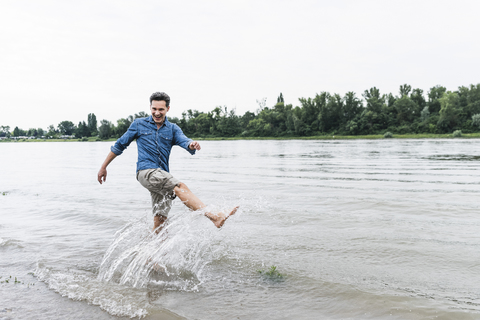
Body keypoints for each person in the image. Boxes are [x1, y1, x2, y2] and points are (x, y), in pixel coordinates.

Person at [97, 92, 237, 233]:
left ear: (168, 109)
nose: (157, 113)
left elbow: (184, 140)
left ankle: (151, 252)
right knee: (179, 186)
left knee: (160, 223)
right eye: (154, 109)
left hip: (162, 175)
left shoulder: (172, 128)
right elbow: (119, 145)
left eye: (161, 109)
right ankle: (214, 217)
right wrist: (103, 167)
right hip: (146, 172)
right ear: (150, 107)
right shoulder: (139, 124)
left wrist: (191, 144)